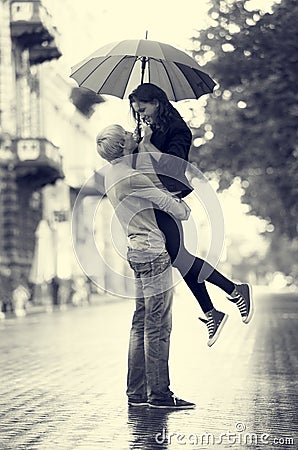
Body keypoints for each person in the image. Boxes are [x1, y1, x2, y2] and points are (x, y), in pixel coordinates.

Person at [129, 83, 253, 346]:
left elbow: (173, 166)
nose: (141, 114)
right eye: (137, 110)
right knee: (180, 258)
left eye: (144, 108)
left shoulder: (178, 130)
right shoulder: (150, 129)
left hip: (169, 197)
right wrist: (137, 144)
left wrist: (148, 143)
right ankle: (215, 309)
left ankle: (231, 294)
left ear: (158, 102)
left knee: (180, 257)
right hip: (153, 198)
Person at [96, 124, 195, 410]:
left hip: (136, 253)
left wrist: (144, 143)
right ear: (122, 147)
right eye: (126, 133)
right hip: (153, 253)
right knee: (158, 326)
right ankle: (160, 395)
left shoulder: (112, 174)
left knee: (140, 323)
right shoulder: (131, 177)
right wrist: (181, 200)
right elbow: (178, 210)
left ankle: (136, 393)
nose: (131, 132)